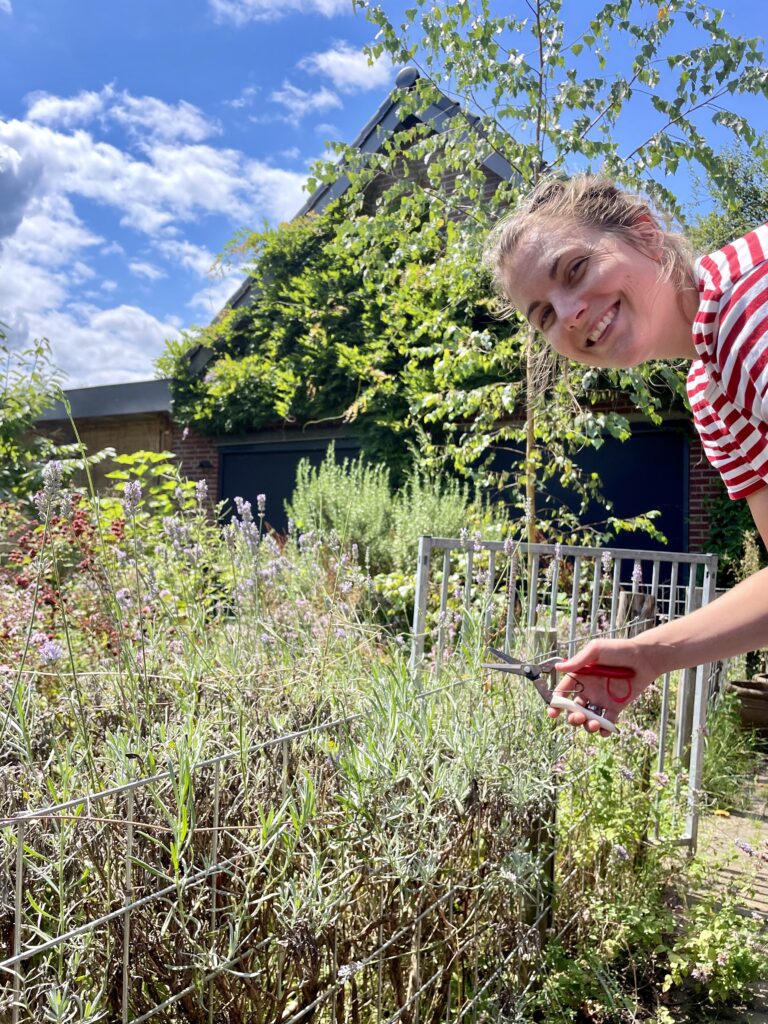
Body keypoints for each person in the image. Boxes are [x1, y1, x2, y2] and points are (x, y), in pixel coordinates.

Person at [483, 174, 768, 735]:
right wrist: (650, 654)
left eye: (575, 269)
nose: (566, 314)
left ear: (644, 233)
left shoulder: (748, 304)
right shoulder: (709, 396)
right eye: (542, 315)